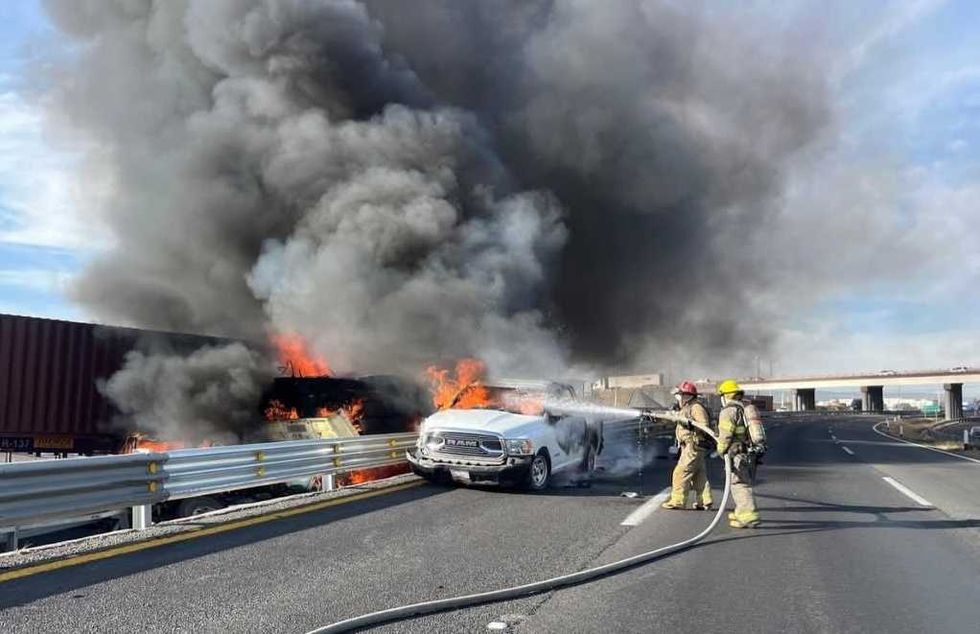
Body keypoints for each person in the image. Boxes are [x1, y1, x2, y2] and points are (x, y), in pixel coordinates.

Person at [715, 379, 767, 528]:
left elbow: (725, 436)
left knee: (739, 484)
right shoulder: (744, 407)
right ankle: (740, 512)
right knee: (743, 481)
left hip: (737, 454)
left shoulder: (728, 411)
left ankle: (748, 515)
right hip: (750, 452)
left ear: (725, 395)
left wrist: (721, 450)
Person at [661, 381, 714, 510]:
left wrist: (690, 424)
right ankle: (704, 501)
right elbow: (677, 421)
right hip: (691, 447)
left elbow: (704, 425)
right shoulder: (686, 408)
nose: (677, 398)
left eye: (679, 395)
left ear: (687, 395)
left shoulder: (696, 407)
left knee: (680, 473)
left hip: (693, 446)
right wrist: (657, 418)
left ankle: (677, 501)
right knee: (698, 475)